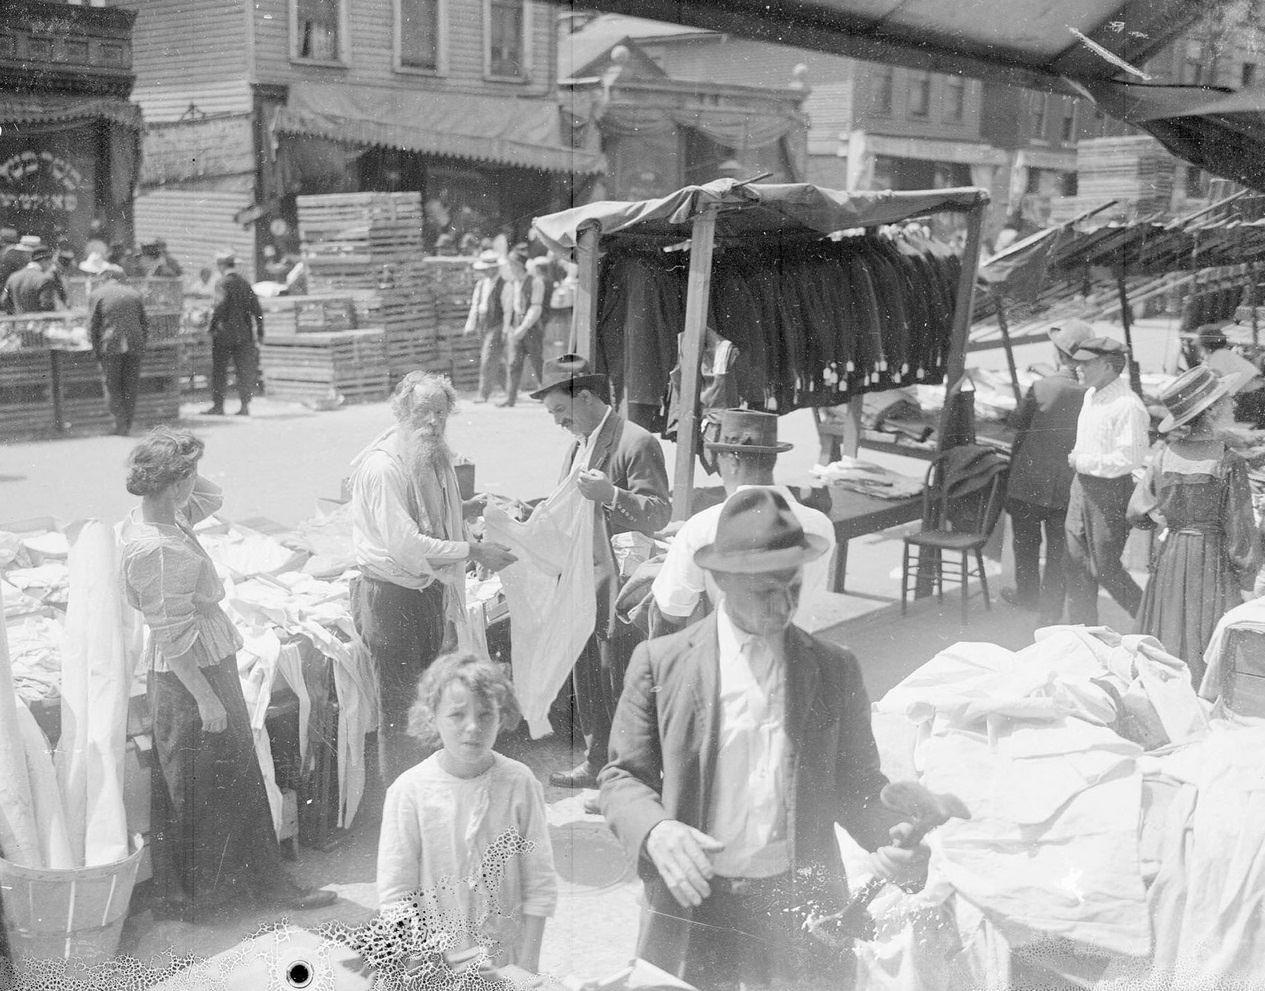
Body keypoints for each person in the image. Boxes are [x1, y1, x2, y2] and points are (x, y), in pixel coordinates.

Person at [599, 489, 928, 991]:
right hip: (693, 905)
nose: (783, 604)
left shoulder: (834, 669)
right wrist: (655, 831)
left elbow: (857, 783)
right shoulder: (661, 662)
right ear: (723, 579)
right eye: (763, 590)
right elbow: (622, 776)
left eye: (792, 585)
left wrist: (893, 836)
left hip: (796, 912)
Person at [118, 427, 337, 919]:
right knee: (210, 784)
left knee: (222, 781)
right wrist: (207, 698)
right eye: (189, 475)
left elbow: (211, 496)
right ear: (175, 484)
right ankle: (231, 896)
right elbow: (173, 637)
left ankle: (234, 893)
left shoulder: (161, 518)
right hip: (191, 676)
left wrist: (183, 458)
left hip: (196, 666)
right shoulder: (159, 546)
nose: (197, 484)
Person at [349, 372, 517, 786]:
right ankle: (404, 810)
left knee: (428, 699)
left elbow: (424, 511)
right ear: (402, 411)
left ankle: (431, 797)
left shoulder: (426, 454)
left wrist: (465, 507)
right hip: (390, 599)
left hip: (422, 593)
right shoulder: (384, 466)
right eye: (423, 412)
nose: (433, 422)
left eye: (441, 413)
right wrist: (475, 550)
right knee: (403, 709)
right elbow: (407, 544)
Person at [534, 355, 671, 790]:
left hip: (619, 584)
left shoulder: (636, 442)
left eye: (560, 410)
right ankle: (597, 763)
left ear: (587, 397)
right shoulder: (579, 442)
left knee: (622, 681)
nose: (557, 421)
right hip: (581, 581)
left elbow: (659, 514)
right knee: (588, 674)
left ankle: (632, 776)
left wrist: (611, 493)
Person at [376, 652, 555, 971]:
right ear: (432, 717)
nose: (473, 727)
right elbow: (396, 893)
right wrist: (418, 969)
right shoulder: (410, 792)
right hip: (436, 966)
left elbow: (538, 881)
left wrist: (528, 966)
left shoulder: (519, 783)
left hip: (506, 963)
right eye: (457, 715)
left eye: (486, 714)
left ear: (503, 717)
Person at [651, 409, 836, 635]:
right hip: (800, 648)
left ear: (733, 461)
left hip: (728, 655)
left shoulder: (702, 527)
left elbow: (672, 609)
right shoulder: (820, 525)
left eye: (718, 457)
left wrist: (684, 544)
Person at [1128, 365, 1260, 683]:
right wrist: (1247, 579)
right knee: (1207, 629)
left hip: (1172, 554)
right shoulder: (1227, 461)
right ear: (1212, 410)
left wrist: (1166, 522)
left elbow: (1136, 512)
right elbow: (1240, 529)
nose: (1234, 404)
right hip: (1211, 559)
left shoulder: (1163, 456)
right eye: (1227, 400)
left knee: (1169, 626)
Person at [999, 320, 1091, 623]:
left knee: (1025, 543)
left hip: (1029, 481)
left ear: (1058, 354)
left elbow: (1016, 424)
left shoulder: (1040, 387)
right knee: (1057, 553)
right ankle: (1051, 611)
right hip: (1066, 486)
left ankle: (1027, 596)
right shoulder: (1089, 394)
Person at [1064, 336, 1151, 626]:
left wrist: (1083, 461)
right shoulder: (1091, 395)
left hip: (1109, 492)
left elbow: (1130, 459)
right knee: (1075, 563)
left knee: (1106, 569)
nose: (1078, 367)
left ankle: (1150, 620)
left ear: (1109, 366)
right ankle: (1082, 633)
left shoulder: (1128, 406)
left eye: (1086, 363)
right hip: (1082, 487)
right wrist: (1080, 459)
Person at [88, 263, 149, 436]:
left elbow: (93, 325)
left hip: (111, 344)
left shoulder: (97, 294)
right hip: (134, 344)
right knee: (130, 385)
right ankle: (127, 424)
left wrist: (96, 350)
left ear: (106, 277)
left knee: (112, 386)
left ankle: (120, 424)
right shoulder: (135, 294)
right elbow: (144, 323)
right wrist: (142, 344)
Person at [205, 250, 264, 416]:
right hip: (244, 335)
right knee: (243, 371)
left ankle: (218, 406)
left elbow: (219, 307)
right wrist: (260, 332)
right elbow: (257, 310)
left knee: (220, 371)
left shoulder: (221, 283)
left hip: (224, 334)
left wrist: (210, 327)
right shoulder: (245, 284)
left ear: (221, 266)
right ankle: (245, 406)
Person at [498, 247, 546, 408]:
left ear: (518, 265)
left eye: (511, 265)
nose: (509, 268)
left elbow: (536, 307)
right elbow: (510, 308)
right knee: (514, 362)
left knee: (537, 361)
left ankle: (547, 396)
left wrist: (524, 327)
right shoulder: (514, 284)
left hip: (531, 327)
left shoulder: (535, 282)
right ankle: (510, 398)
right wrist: (510, 328)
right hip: (517, 325)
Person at [462, 249, 506, 404]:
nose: (488, 271)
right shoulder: (481, 284)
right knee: (495, 358)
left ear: (496, 268)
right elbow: (475, 306)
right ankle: (509, 389)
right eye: (486, 268)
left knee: (488, 358)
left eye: (491, 268)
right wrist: (470, 325)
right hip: (483, 324)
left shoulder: (504, 283)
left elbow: (506, 308)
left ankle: (483, 393)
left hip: (497, 323)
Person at [1, 244, 60, 314]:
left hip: (18, 323)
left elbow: (5, 302)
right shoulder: (45, 279)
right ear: (44, 260)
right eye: (50, 262)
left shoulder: (13, 277)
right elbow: (47, 308)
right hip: (38, 323)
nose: (50, 266)